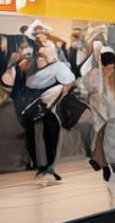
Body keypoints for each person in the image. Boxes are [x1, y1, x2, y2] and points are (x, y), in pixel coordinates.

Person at [5, 44, 76, 180]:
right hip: (29, 106)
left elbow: (68, 82)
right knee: (31, 135)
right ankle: (37, 164)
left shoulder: (59, 68)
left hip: (48, 106)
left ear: (50, 58)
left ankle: (49, 167)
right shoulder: (30, 66)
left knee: (50, 132)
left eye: (43, 57)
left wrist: (62, 89)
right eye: (39, 55)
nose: (39, 59)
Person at [79, 44, 115, 188]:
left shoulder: (95, 73)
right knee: (108, 141)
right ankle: (108, 164)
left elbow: (83, 89)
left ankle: (103, 162)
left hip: (103, 114)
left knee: (103, 140)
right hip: (112, 114)